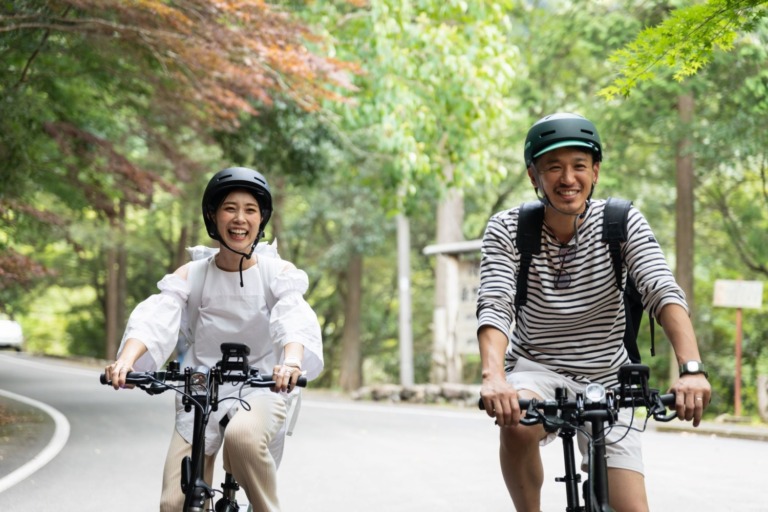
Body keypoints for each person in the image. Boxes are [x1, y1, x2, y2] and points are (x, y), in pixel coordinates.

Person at [476, 113, 711, 512]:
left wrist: (691, 370)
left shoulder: (620, 222)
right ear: (534, 176)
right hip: (537, 370)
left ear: (595, 171)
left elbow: (661, 290)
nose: (568, 178)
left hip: (609, 377)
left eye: (579, 166)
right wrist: (494, 377)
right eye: (554, 167)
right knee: (516, 424)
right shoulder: (508, 229)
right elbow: (495, 303)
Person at [105, 166, 323, 512]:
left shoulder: (277, 274)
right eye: (229, 208)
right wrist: (126, 362)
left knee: (242, 437)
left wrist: (291, 362)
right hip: (201, 388)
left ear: (261, 219)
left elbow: (293, 319)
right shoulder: (193, 274)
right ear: (213, 216)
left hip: (262, 386)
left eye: (250, 210)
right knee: (174, 503)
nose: (240, 218)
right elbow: (155, 319)